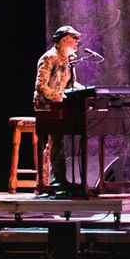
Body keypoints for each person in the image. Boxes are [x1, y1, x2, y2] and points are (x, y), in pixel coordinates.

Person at [34, 25, 81, 188]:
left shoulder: (68, 60)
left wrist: (85, 91)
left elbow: (71, 83)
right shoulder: (49, 58)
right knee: (56, 136)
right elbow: (41, 86)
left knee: (62, 135)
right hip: (45, 105)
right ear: (63, 40)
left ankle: (59, 179)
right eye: (73, 38)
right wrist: (57, 96)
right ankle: (50, 181)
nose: (77, 42)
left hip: (60, 105)